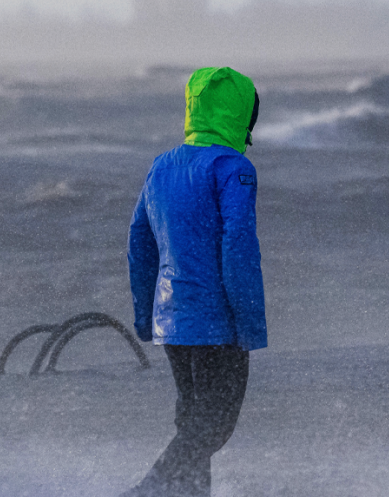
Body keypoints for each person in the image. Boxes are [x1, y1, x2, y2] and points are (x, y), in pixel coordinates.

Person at [123, 67, 267, 497]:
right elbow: (238, 246)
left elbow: (139, 242)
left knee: (193, 423)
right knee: (213, 425)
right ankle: (147, 490)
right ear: (241, 113)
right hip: (216, 325)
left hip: (173, 322)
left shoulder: (162, 166)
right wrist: (248, 324)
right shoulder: (232, 168)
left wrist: (146, 317)